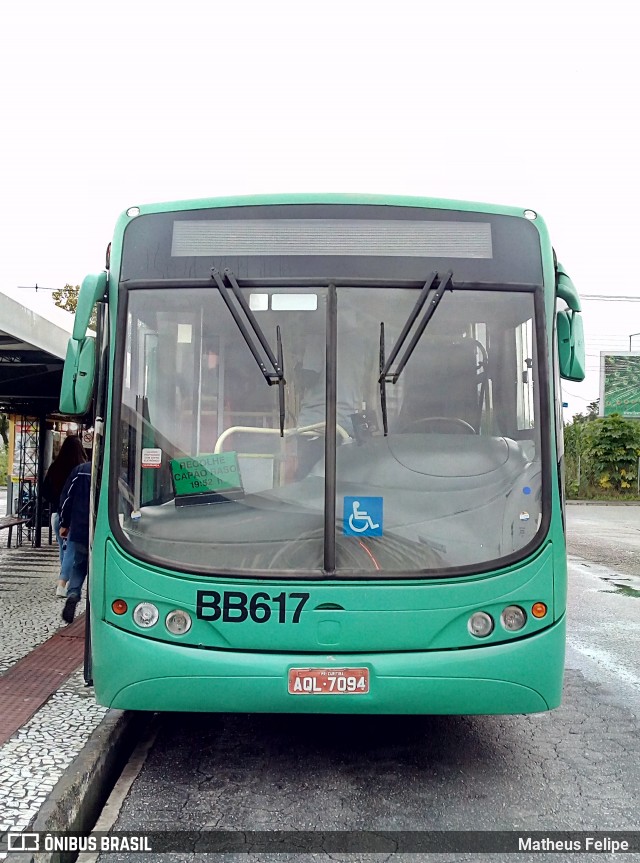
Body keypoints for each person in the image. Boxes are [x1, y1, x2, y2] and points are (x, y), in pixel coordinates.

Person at [41, 435, 87, 596]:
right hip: (75, 517)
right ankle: (62, 584)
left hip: (56, 515)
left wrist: (56, 502)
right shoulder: (81, 468)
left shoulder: (55, 467)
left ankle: (64, 581)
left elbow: (44, 491)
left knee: (63, 549)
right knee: (72, 551)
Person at [59, 461, 91, 624]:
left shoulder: (81, 470)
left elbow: (67, 499)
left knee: (79, 565)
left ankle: (73, 593)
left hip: (80, 528)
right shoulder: (115, 470)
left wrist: (64, 524)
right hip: (104, 528)